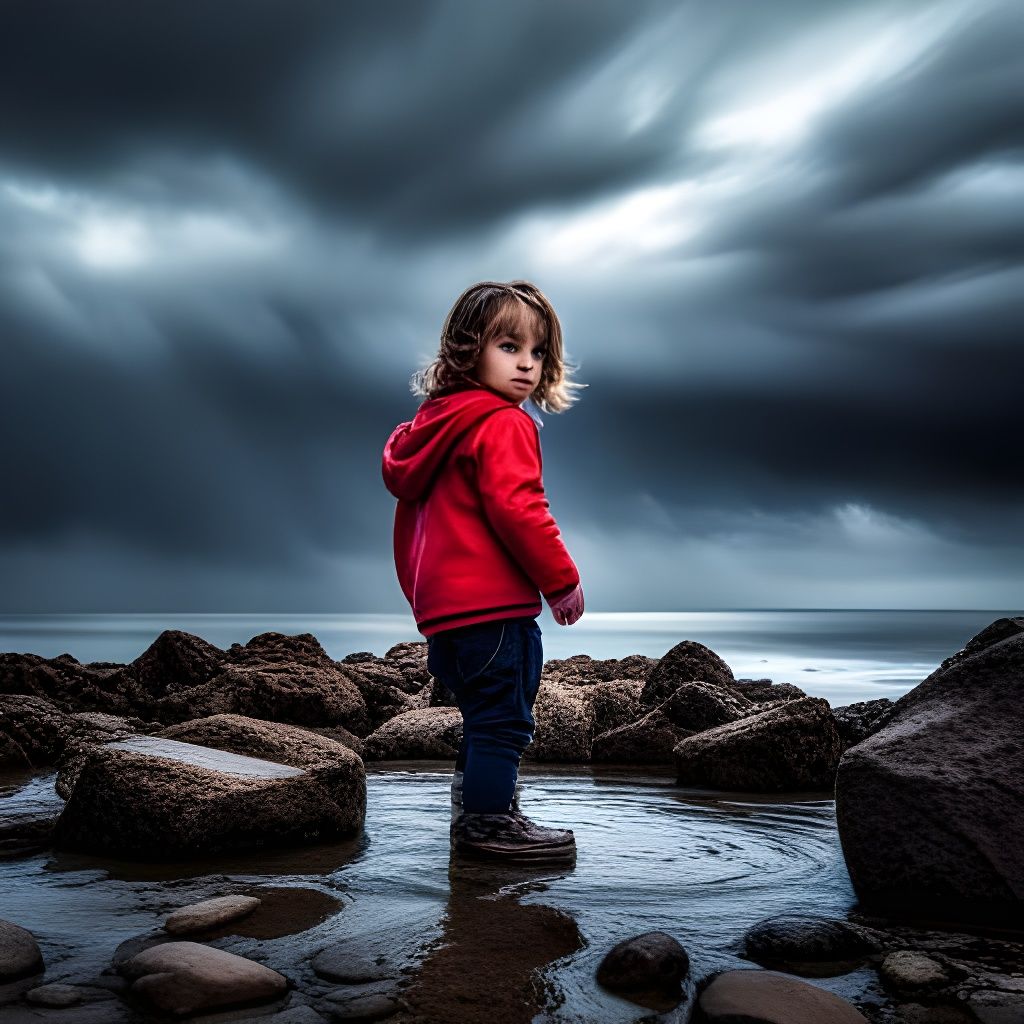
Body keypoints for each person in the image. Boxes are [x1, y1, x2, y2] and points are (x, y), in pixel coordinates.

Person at [381, 280, 586, 863]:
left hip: (446, 618)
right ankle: (490, 824)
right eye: (508, 346)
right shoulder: (502, 423)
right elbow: (520, 508)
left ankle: (473, 812)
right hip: (495, 613)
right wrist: (562, 581)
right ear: (468, 350)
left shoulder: (433, 428)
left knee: (481, 722)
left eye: (538, 351)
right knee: (504, 724)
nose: (526, 363)